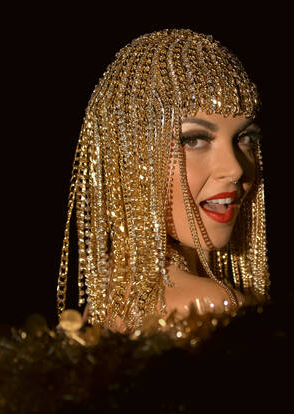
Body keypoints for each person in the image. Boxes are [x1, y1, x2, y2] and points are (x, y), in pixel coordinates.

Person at [55, 29, 270, 334]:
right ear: (130, 156)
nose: (234, 168)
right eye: (194, 140)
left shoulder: (108, 295)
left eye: (244, 137)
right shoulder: (213, 305)